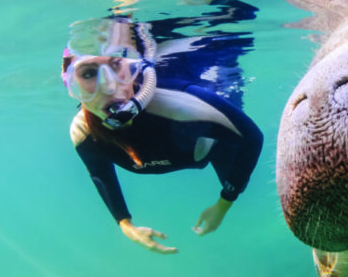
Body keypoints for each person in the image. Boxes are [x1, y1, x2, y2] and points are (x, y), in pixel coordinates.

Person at [62, 15, 263, 254]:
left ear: (133, 67)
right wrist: (127, 226)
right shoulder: (83, 131)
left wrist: (224, 203)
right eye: (87, 74)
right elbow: (100, 174)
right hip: (191, 149)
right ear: (71, 87)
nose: (109, 86)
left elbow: (252, 138)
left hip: (214, 144)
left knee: (231, 20)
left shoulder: (182, 105)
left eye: (116, 65)